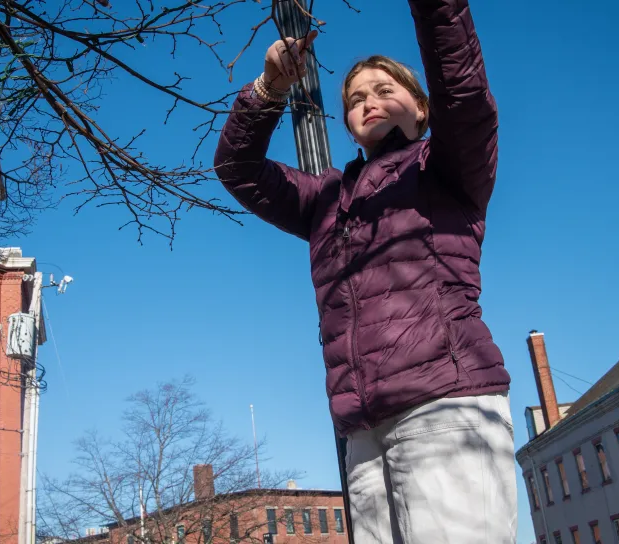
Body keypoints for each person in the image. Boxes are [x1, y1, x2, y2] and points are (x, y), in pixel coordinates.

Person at [213, 1, 515, 542]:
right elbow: (237, 168)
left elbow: (464, 93)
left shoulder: (447, 167)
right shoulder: (326, 198)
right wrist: (270, 87)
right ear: (349, 126)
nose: (368, 102)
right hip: (361, 431)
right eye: (355, 99)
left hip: (446, 406)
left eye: (384, 90)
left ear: (421, 109)